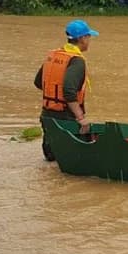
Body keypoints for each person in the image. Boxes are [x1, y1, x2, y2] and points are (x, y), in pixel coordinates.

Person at [34, 19, 98, 160]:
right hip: (66, 118)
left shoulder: (53, 55)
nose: (89, 40)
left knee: (52, 159)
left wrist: (53, 95)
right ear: (81, 38)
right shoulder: (76, 61)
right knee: (74, 160)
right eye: (88, 36)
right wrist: (81, 118)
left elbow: (38, 82)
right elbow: (69, 91)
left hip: (47, 115)